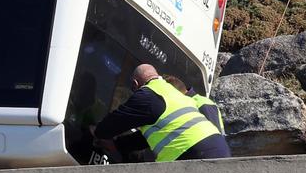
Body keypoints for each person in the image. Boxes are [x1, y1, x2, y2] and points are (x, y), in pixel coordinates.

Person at [92, 64, 231, 162]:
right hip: (218, 149)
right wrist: (117, 145)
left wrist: (97, 132)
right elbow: (145, 138)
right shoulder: (173, 93)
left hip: (192, 152)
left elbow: (113, 123)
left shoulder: (147, 95)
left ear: (135, 83)